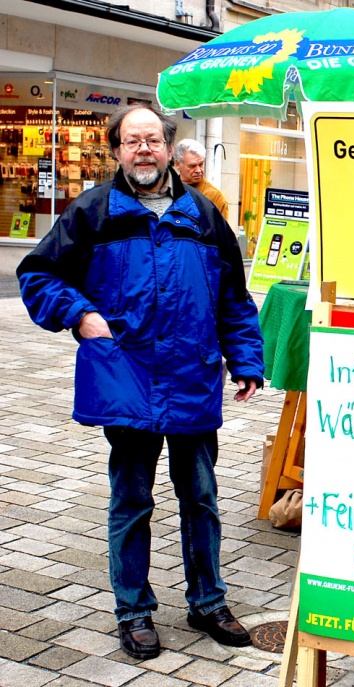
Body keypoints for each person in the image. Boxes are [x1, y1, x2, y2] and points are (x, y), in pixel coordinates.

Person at [17, 104, 264, 660]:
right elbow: (37, 274)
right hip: (127, 377)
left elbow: (233, 297)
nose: (144, 149)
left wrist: (246, 359)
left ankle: (208, 602)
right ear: (117, 150)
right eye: (133, 141)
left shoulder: (203, 214)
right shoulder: (94, 211)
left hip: (192, 376)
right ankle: (133, 611)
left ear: (169, 147)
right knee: (131, 500)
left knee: (201, 498)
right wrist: (81, 314)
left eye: (152, 139)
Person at [173, 138, 230, 221]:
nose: (198, 170)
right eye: (192, 166)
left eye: (201, 164)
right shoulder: (167, 190)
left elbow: (222, 229)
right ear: (178, 165)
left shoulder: (215, 197)